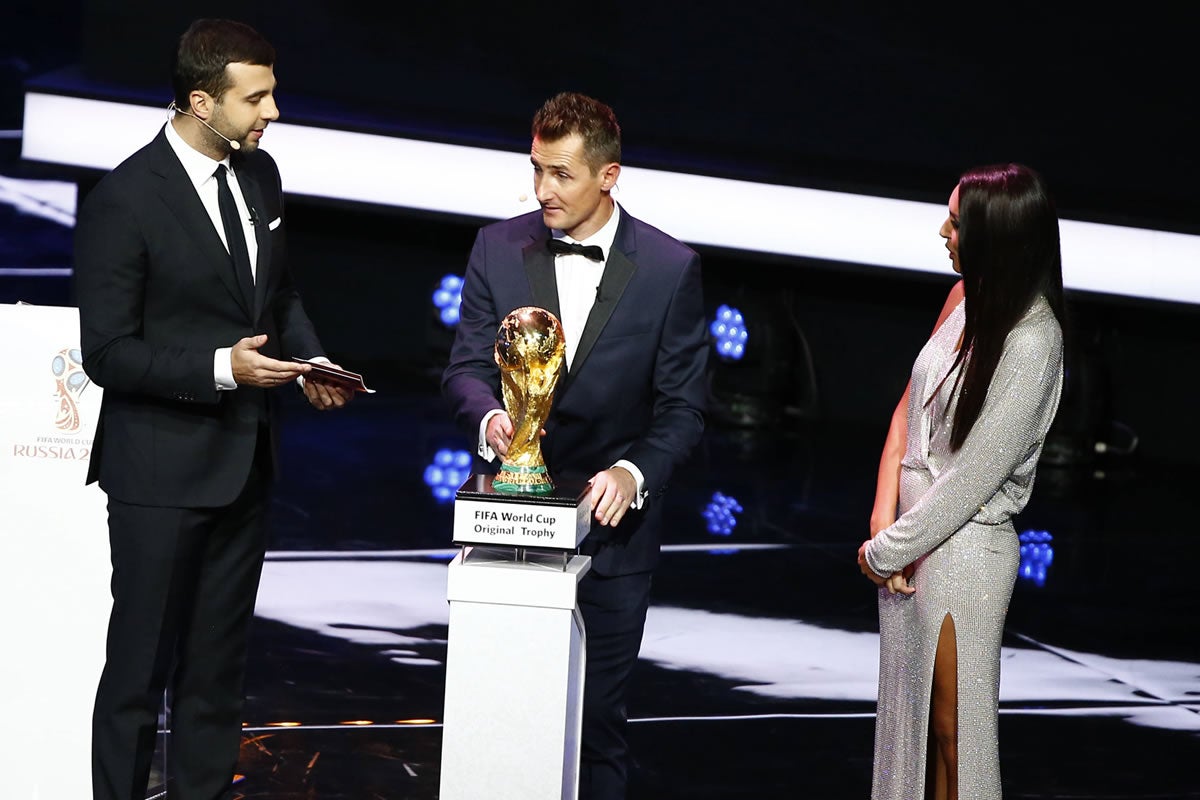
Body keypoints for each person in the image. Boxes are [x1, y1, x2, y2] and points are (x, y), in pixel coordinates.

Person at [74, 18, 354, 800]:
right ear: (202, 101)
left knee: (216, 675)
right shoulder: (124, 200)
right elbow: (108, 353)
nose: (272, 111)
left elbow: (280, 293)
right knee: (138, 676)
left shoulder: (260, 177)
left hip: (244, 468)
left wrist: (312, 360)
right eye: (256, 97)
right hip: (159, 475)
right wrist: (220, 369)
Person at [442, 91, 708, 799]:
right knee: (496, 717)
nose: (543, 190)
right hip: (506, 519)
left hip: (614, 540)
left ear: (608, 175)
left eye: (561, 174)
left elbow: (685, 407)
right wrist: (492, 424)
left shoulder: (667, 268)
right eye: (537, 170)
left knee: (595, 727)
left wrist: (632, 470)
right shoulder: (497, 247)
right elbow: (466, 369)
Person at [857, 162, 1066, 800]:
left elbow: (973, 478)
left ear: (994, 235)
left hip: (964, 558)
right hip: (911, 544)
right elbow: (908, 406)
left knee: (952, 734)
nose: (942, 230)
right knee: (905, 732)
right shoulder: (962, 298)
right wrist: (881, 512)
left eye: (956, 219)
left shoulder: (1034, 344)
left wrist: (889, 549)